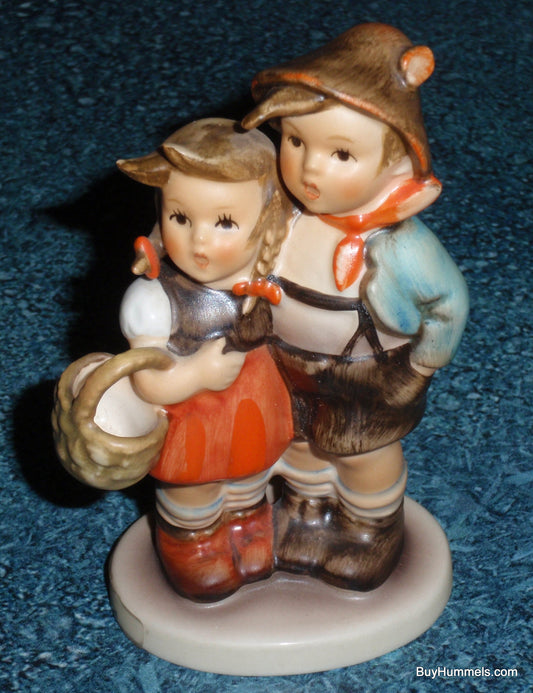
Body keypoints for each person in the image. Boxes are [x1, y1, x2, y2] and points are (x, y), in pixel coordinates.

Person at [240, 23, 469, 590]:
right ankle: (307, 511)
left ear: (398, 165)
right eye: (296, 142)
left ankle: (370, 526)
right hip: (284, 361)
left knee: (364, 453)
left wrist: (422, 366)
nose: (310, 168)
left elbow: (448, 304)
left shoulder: (400, 246)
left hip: (367, 373)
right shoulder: (282, 217)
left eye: (341, 153)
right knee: (298, 441)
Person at [117, 118, 293, 601]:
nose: (198, 241)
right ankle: (192, 542)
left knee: (250, 477)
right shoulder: (154, 299)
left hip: (253, 408)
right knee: (192, 489)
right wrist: (196, 373)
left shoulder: (271, 283)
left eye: (225, 222)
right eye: (180, 218)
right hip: (191, 418)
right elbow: (147, 381)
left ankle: (247, 525)